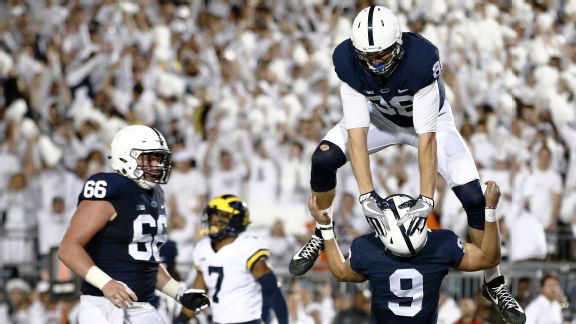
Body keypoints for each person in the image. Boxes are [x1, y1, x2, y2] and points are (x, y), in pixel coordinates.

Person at [288, 5, 525, 323]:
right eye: (369, 57)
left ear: (398, 45)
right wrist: (366, 195)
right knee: (323, 159)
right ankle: (321, 230)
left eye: (383, 55)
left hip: (429, 124)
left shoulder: (421, 60)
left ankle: (493, 283)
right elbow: (357, 137)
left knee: (474, 200)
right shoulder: (347, 62)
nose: (375, 63)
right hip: (379, 121)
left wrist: (426, 200)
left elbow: (426, 139)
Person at [58, 125, 210, 324]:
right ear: (125, 157)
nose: (156, 165)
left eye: (159, 158)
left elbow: (146, 261)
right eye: (150, 158)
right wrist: (106, 284)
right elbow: (68, 248)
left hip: (142, 306)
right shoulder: (111, 187)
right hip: (104, 305)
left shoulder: (155, 193)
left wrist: (180, 293)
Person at [307, 181, 518, 323]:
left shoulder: (368, 247)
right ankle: (495, 287)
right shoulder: (441, 243)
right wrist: (490, 209)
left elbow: (340, 271)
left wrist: (325, 227)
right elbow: (490, 258)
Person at [180, 194, 288, 324]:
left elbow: (272, 289)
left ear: (236, 220)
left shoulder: (247, 246)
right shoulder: (203, 249)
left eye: (221, 217)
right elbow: (198, 295)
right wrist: (180, 320)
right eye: (213, 216)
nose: (214, 221)